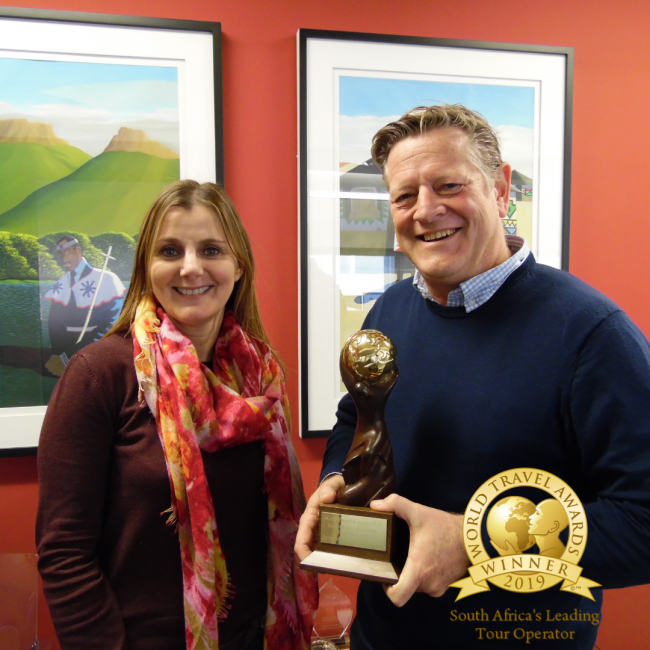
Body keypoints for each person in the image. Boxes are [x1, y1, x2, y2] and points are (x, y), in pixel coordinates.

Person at [296, 104, 650, 648]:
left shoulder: (592, 334)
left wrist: (475, 543)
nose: (426, 210)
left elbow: (642, 522)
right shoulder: (388, 310)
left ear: (501, 189)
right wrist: (336, 480)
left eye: (449, 185)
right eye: (405, 196)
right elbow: (356, 416)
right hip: (380, 635)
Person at [37, 181, 317, 650]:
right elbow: (64, 552)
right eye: (170, 251)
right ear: (147, 267)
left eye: (211, 249)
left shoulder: (260, 376)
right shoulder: (98, 376)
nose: (190, 267)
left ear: (238, 266)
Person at [43, 235, 125, 377]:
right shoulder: (61, 283)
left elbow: (111, 324)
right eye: (60, 254)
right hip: (64, 356)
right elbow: (54, 324)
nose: (64, 259)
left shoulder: (106, 278)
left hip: (97, 354)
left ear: (78, 250)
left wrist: (69, 357)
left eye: (67, 251)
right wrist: (59, 354)